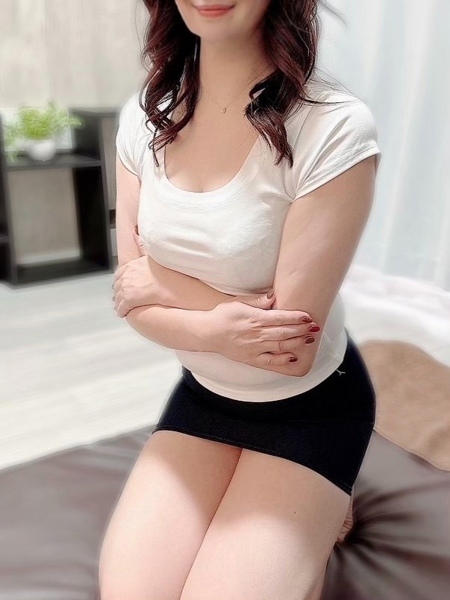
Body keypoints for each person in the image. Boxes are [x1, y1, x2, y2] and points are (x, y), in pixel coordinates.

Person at [99, 1, 382, 598]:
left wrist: (170, 286)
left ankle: (325, 507)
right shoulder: (144, 119)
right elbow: (131, 296)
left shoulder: (333, 127)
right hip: (206, 395)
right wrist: (218, 332)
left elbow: (288, 351)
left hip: (311, 407)